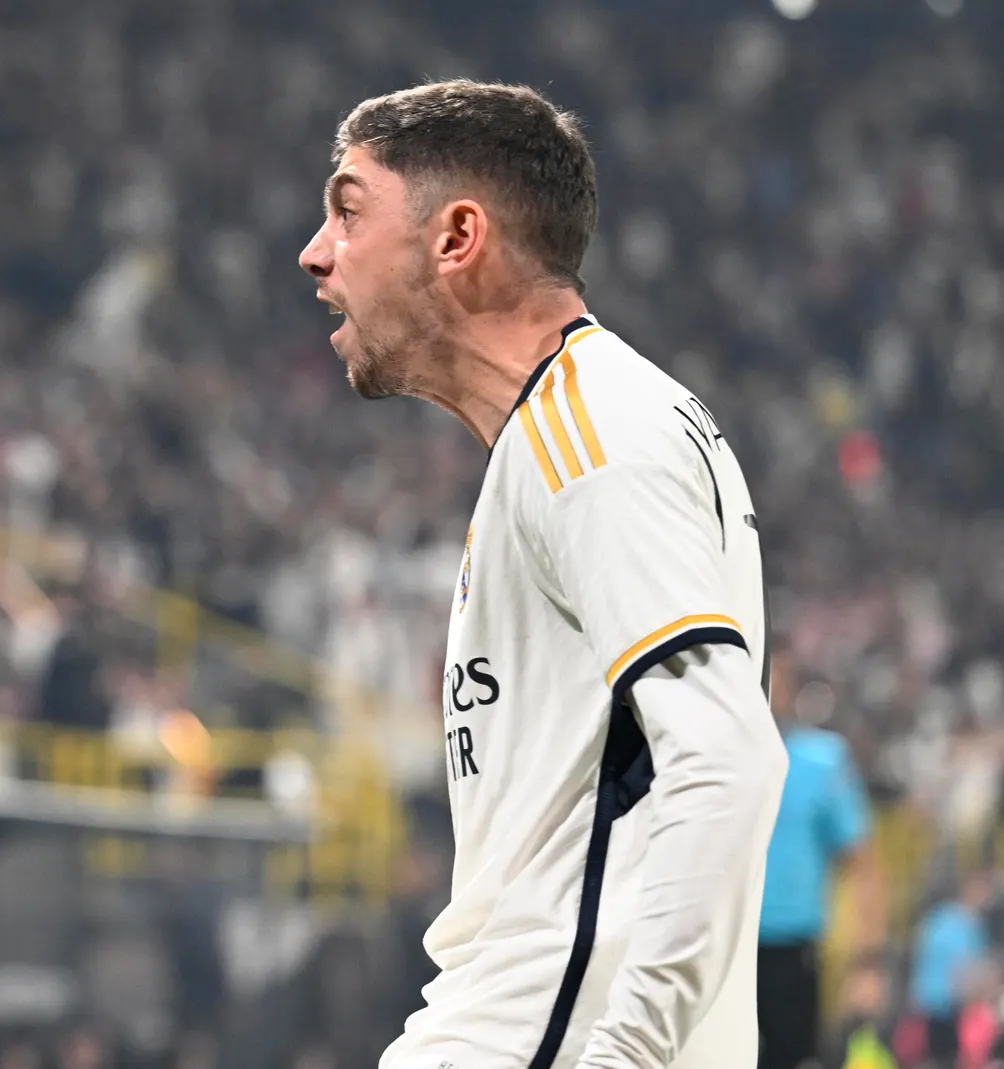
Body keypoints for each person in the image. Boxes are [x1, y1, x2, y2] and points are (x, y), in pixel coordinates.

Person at [299, 80, 787, 1068]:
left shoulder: (590, 430)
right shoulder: (566, 434)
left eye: (348, 211)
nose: (315, 250)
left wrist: (626, 1054)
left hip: (539, 1035)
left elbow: (729, 761)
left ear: (456, 237)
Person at [757, 674, 872, 1069]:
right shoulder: (712, 755)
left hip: (792, 945)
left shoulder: (822, 760)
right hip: (720, 943)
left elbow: (860, 859)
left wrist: (866, 961)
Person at [909, 872, 993, 1066]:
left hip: (923, 1008)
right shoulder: (965, 924)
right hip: (949, 1010)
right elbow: (966, 973)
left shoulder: (934, 919)